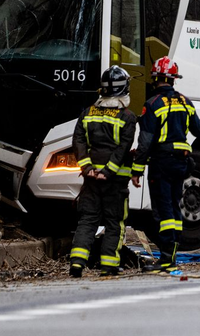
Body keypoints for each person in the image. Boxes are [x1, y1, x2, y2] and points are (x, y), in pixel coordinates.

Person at [132, 56, 200, 272]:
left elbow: (145, 142)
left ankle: (166, 259)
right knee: (174, 207)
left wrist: (136, 170)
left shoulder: (152, 104)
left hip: (161, 164)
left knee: (163, 210)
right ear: (173, 79)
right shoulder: (185, 102)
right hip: (181, 164)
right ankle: (170, 253)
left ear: (155, 79)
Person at [69, 66, 137, 278]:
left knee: (87, 220)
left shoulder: (87, 113)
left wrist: (87, 168)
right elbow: (122, 148)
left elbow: (77, 142)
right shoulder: (127, 117)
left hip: (90, 180)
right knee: (114, 223)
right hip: (114, 182)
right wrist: (108, 172)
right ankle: (109, 266)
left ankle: (77, 263)